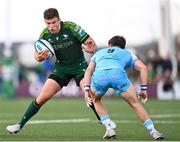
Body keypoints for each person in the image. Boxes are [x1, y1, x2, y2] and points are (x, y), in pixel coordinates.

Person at [6, 8, 100, 134]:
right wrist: (39, 57)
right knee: (41, 98)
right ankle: (19, 125)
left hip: (80, 67)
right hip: (61, 68)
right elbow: (37, 55)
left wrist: (90, 48)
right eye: (48, 23)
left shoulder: (71, 27)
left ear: (59, 20)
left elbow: (92, 44)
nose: (51, 26)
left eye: (54, 22)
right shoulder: (45, 34)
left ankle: (105, 122)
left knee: (89, 95)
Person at [84, 35, 165, 140]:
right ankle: (153, 131)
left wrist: (86, 91)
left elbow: (88, 71)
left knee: (96, 99)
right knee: (135, 103)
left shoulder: (98, 53)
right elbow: (143, 68)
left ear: (110, 45)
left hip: (100, 77)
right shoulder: (127, 53)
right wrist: (144, 89)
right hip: (118, 76)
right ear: (123, 47)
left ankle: (109, 127)